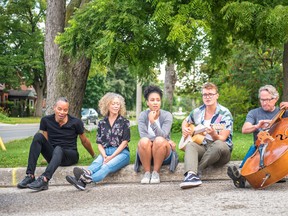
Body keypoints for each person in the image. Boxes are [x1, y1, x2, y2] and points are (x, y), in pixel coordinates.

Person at [17, 97, 95, 191]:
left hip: (70, 156)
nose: (62, 112)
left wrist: (93, 155)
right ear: (54, 108)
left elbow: (84, 141)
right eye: (59, 109)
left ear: (68, 110)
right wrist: (47, 157)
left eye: (65, 110)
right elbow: (45, 140)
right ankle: (30, 175)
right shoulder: (46, 120)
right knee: (38, 136)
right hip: (55, 155)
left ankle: (44, 179)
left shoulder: (76, 122)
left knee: (58, 148)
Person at [66, 93, 130, 190]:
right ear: (107, 105)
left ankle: (83, 180)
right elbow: (99, 143)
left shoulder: (124, 122)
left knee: (106, 166)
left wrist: (112, 157)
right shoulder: (102, 123)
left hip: (122, 153)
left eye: (118, 104)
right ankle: (83, 180)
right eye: (113, 104)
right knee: (96, 164)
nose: (116, 106)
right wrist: (104, 155)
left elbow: (125, 142)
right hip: (106, 151)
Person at [227, 85, 288, 188]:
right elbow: (244, 129)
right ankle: (241, 175)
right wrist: (257, 126)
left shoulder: (284, 112)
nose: (264, 102)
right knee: (254, 147)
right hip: (260, 149)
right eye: (262, 100)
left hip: (280, 147)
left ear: (275, 99)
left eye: (267, 100)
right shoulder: (254, 113)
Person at [180, 82, 233, 189]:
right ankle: (190, 175)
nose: (207, 97)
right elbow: (185, 121)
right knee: (190, 145)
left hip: (222, 150)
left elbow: (223, 138)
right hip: (204, 146)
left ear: (217, 95)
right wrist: (184, 129)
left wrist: (214, 134)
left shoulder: (224, 113)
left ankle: (197, 171)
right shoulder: (197, 111)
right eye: (205, 94)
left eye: (210, 94)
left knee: (218, 144)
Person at [135, 85, 177, 184]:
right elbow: (143, 136)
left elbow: (163, 135)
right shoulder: (143, 115)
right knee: (144, 141)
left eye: (158, 100)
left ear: (160, 102)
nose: (155, 102)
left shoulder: (167, 115)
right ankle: (147, 173)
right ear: (147, 102)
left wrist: (152, 121)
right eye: (152, 100)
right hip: (146, 152)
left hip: (163, 153)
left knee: (159, 140)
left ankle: (156, 173)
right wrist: (166, 140)